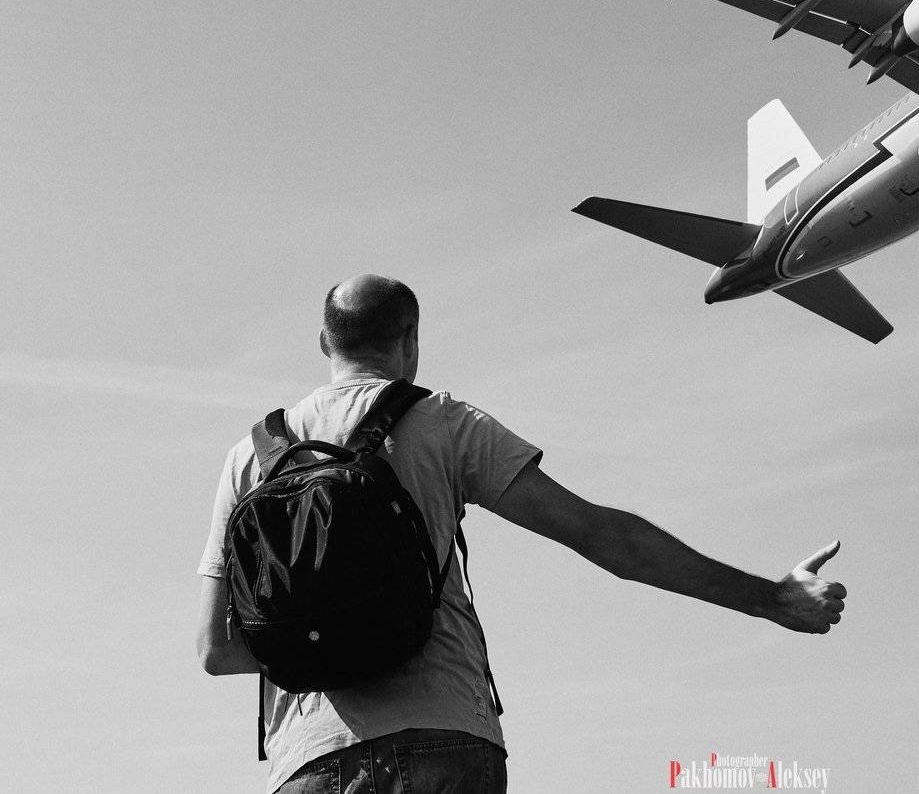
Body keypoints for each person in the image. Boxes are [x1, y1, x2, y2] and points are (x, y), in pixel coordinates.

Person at [198, 274, 847, 792]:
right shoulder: (441, 423)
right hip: (446, 741)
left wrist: (322, 639)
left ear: (322, 342)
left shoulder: (252, 458)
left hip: (309, 761)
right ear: (411, 338)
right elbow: (604, 537)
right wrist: (772, 599)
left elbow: (215, 649)